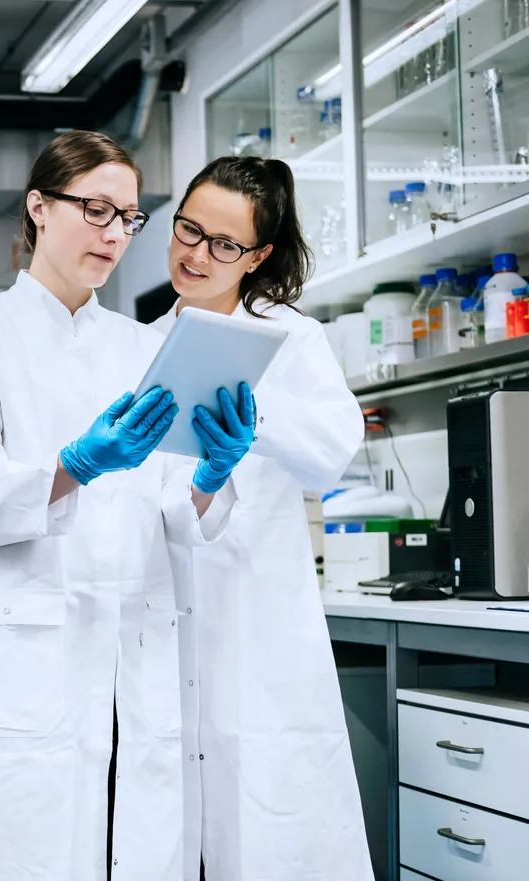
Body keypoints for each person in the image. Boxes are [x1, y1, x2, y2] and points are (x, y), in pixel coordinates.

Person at [0, 130, 256, 881]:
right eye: (96, 209)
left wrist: (212, 473)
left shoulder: (143, 349)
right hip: (29, 649)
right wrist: (72, 467)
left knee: (133, 847)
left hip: (133, 655)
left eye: (130, 218)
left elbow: (176, 508)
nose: (114, 234)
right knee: (21, 850)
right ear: (39, 206)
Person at [151, 156, 371, 881]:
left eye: (224, 244)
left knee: (272, 831)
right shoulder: (138, 343)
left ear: (259, 255)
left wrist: (255, 405)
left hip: (258, 626)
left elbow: (331, 454)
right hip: (160, 624)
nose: (197, 254)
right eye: (188, 229)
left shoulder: (290, 339)